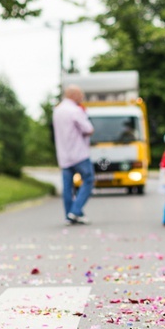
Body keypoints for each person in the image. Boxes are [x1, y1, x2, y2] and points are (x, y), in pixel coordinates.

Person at [53, 85, 95, 225]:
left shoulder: (57, 110)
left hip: (64, 154)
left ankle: (69, 215)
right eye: (81, 94)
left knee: (67, 187)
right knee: (88, 179)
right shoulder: (76, 110)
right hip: (79, 153)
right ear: (74, 95)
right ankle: (75, 211)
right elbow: (88, 129)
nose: (82, 97)